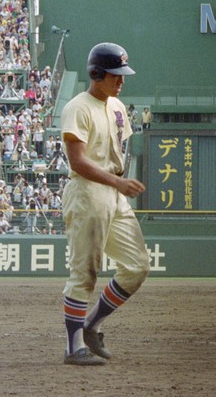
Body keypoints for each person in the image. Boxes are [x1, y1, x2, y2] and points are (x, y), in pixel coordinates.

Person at [61, 42, 150, 366]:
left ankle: (91, 325)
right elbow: (78, 161)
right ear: (96, 74)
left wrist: (117, 183)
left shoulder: (117, 107)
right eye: (115, 75)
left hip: (113, 192)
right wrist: (117, 182)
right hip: (88, 191)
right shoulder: (77, 107)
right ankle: (73, 348)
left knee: (137, 266)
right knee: (84, 271)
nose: (121, 81)